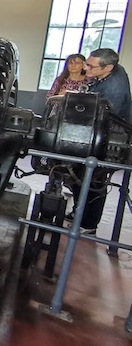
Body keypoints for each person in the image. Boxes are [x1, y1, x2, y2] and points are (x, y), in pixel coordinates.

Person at [68, 48, 131, 234]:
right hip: (98, 136)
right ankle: (79, 213)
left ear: (108, 67)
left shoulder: (114, 89)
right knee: (78, 179)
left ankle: (88, 224)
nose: (85, 68)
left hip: (106, 141)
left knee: (94, 181)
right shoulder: (111, 74)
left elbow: (104, 118)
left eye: (90, 66)